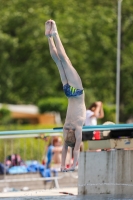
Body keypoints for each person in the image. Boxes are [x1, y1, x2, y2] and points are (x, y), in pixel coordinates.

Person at [45, 19, 86, 172]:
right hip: (68, 92)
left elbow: (75, 150)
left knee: (65, 60)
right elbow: (65, 149)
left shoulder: (77, 127)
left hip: (77, 92)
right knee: (58, 61)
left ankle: (55, 34)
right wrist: (63, 166)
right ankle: (49, 37)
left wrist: (73, 166)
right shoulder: (65, 127)